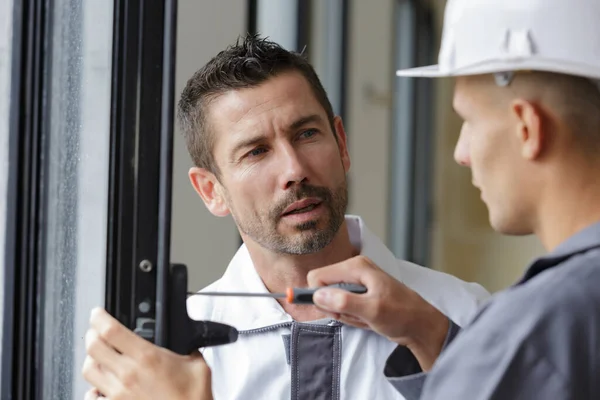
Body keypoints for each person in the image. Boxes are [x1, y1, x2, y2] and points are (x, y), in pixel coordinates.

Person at [82, 34, 490, 399]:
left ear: (341, 144)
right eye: (256, 151)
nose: (294, 170)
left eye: (307, 134)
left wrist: (435, 339)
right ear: (211, 191)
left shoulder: (465, 315)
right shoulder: (159, 366)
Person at [307, 0, 600, 398]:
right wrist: (429, 332)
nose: (461, 152)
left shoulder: (538, 331)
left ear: (526, 127)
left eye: (469, 120)